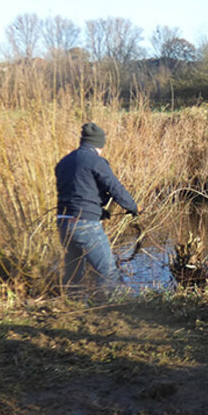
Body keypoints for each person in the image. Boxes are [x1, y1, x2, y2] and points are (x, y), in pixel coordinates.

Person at [55, 122, 139, 294]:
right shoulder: (95, 161)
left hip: (63, 223)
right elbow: (115, 188)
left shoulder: (64, 162)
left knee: (74, 272)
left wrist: (99, 211)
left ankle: (71, 307)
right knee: (107, 272)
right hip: (85, 224)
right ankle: (108, 310)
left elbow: (78, 191)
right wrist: (132, 207)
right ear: (99, 144)